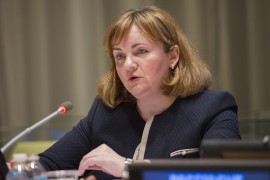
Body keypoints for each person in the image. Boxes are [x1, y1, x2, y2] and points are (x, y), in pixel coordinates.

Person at [39, 6, 241, 179]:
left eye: (140, 51)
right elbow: (45, 166)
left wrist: (129, 169)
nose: (128, 65)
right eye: (119, 56)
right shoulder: (105, 113)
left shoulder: (213, 109)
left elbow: (223, 175)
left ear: (173, 56)